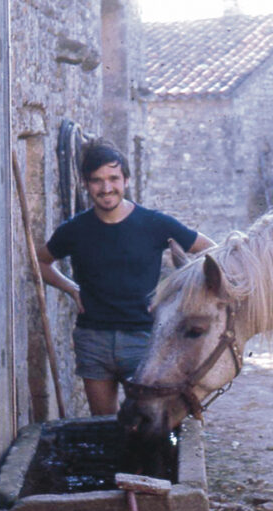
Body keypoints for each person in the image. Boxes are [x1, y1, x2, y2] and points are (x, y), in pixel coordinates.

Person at [37, 139, 215, 415]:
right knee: (103, 428)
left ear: (127, 180)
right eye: (97, 180)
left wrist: (178, 295)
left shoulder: (154, 224)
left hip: (145, 341)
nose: (106, 188)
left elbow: (212, 251)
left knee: (149, 423)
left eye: (113, 178)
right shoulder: (74, 230)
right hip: (93, 339)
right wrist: (71, 288)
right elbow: (41, 261)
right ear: (85, 184)